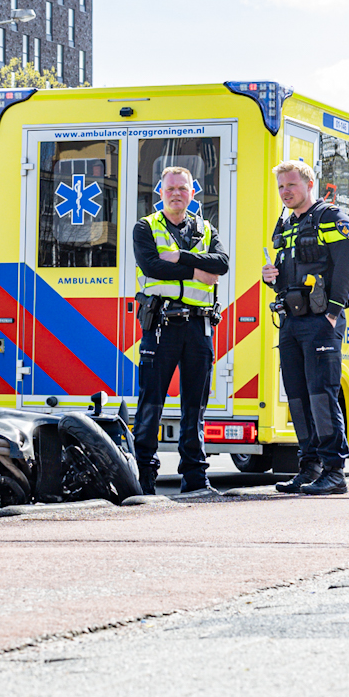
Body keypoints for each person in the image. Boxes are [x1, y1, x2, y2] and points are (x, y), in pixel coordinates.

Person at [131, 166, 229, 497]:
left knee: (194, 409)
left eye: (182, 189)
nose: (176, 194)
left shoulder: (205, 227)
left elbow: (222, 264)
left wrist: (181, 258)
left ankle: (196, 479)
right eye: (170, 188)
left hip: (199, 327)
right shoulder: (145, 227)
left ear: (192, 193)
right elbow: (151, 265)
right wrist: (196, 271)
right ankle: (144, 479)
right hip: (162, 326)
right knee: (151, 405)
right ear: (160, 192)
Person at [262, 160, 349, 495]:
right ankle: (309, 467)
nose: (285, 192)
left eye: (291, 185)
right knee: (298, 399)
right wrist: (272, 279)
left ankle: (334, 471)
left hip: (320, 321)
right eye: (281, 187)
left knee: (321, 396)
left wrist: (333, 312)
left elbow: (345, 265)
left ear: (309, 184)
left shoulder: (331, 217)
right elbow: (289, 275)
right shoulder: (286, 223)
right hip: (290, 321)